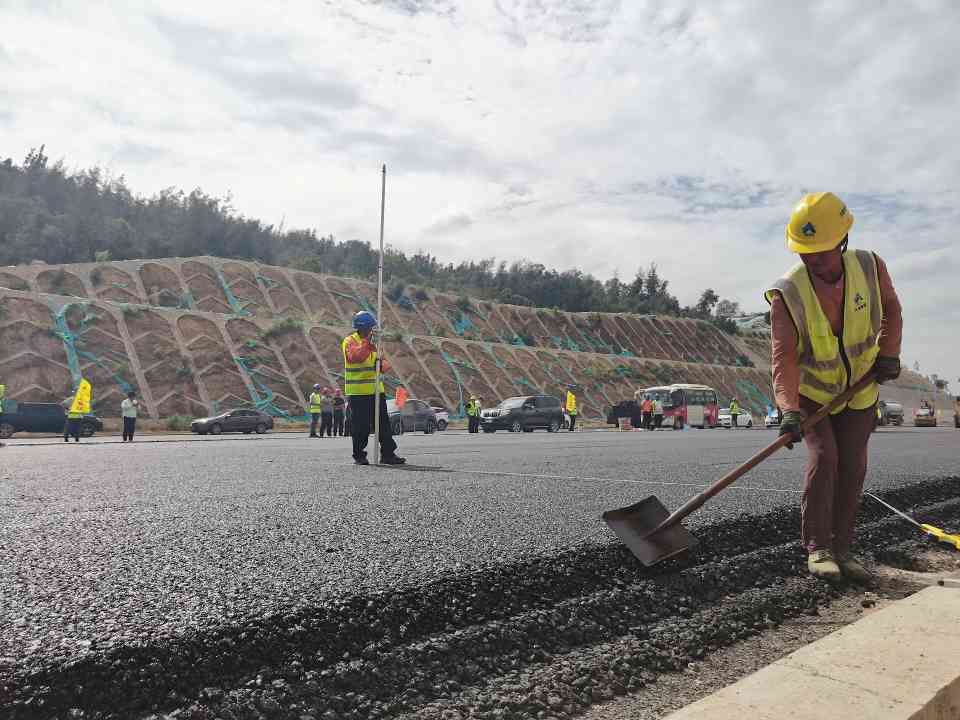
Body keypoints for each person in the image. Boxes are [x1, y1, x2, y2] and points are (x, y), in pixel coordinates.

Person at [768, 192, 902, 582]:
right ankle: (818, 548)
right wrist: (789, 409)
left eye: (821, 252)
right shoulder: (787, 293)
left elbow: (892, 310)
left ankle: (843, 548)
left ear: (842, 240)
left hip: (860, 389)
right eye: (805, 252)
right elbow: (784, 358)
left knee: (853, 465)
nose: (812, 260)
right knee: (825, 457)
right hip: (813, 393)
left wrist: (889, 352)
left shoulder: (870, 266)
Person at [342, 311, 404, 465]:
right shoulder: (349, 341)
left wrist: (381, 364)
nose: (372, 330)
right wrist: (368, 344)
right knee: (360, 427)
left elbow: (384, 365)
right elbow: (356, 357)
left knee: (383, 425)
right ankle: (359, 456)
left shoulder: (375, 343)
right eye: (370, 327)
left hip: (377, 391)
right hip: (358, 392)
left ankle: (388, 454)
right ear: (362, 328)